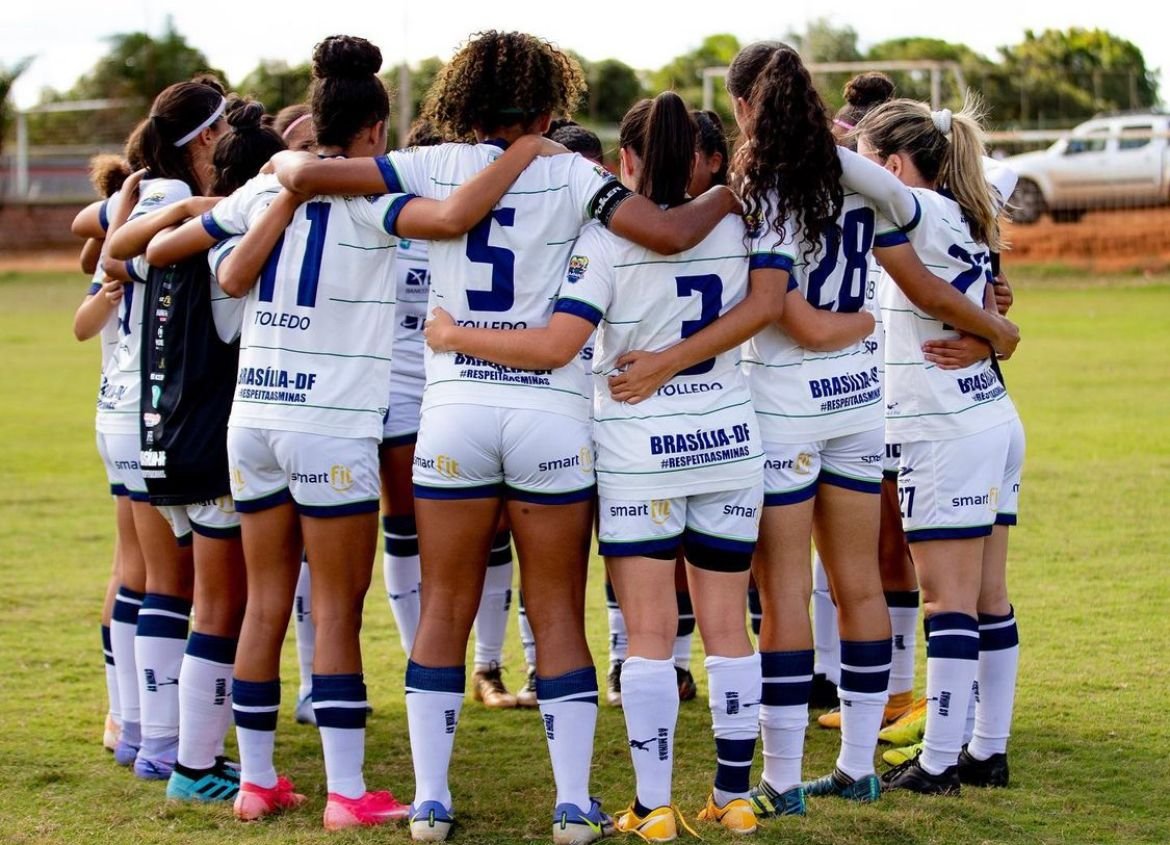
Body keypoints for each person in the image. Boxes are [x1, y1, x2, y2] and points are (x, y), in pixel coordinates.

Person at [269, 29, 740, 845]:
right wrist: (731, 193)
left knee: (443, 604)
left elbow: (306, 171)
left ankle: (430, 801)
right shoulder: (571, 171)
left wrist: (285, 167)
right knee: (556, 606)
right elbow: (668, 235)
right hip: (551, 413)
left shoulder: (433, 164)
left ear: (460, 101)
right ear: (551, 104)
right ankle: (569, 805)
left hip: (453, 414)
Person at [147, 34, 565, 829]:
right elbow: (456, 212)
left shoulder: (266, 187)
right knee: (335, 606)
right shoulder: (377, 204)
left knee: (267, 600)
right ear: (375, 132)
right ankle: (346, 792)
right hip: (329, 426)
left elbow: (190, 256)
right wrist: (524, 151)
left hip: (254, 422)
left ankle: (257, 780)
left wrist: (278, 191)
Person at [425, 90, 786, 840]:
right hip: (727, 441)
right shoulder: (738, 222)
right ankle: (735, 796)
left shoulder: (606, 239)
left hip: (640, 450)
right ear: (699, 157)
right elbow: (771, 305)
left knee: (649, 630)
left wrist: (456, 334)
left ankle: (654, 807)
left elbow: (556, 344)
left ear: (623, 162)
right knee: (727, 625)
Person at [110, 98, 288, 802]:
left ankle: (184, 751)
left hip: (161, 439)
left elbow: (120, 247)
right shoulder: (225, 252)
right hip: (206, 447)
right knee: (220, 607)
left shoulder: (173, 231)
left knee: (197, 601)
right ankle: (193, 766)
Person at [851, 96, 1025, 795]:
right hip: (989, 416)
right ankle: (988, 749)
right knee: (986, 595)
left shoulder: (918, 210)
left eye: (869, 164)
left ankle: (939, 762)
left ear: (893, 167)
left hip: (943, 428)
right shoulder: (964, 212)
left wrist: (796, 125)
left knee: (946, 601)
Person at [101, 77, 231, 781]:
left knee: (151, 578)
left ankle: (141, 734)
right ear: (207, 136)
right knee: (174, 584)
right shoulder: (168, 198)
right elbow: (115, 252)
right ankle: (163, 744)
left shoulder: (149, 196)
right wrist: (197, 207)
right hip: (162, 407)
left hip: (129, 403)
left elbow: (110, 252)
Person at [71, 152, 139, 758]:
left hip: (135, 416)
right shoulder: (134, 232)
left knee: (144, 571)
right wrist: (107, 291)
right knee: (136, 568)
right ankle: (126, 714)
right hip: (130, 415)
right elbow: (82, 324)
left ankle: (134, 713)